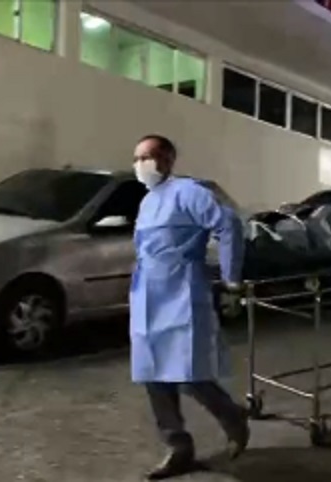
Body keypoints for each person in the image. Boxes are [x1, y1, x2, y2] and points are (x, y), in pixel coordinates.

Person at [129, 134, 249, 480]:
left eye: (146, 157)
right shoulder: (148, 201)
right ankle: (178, 447)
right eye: (136, 158)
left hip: (181, 292)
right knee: (153, 375)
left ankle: (232, 417)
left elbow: (228, 224)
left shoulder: (189, 192)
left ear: (167, 160)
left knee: (189, 373)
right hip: (147, 296)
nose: (139, 165)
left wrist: (231, 277)